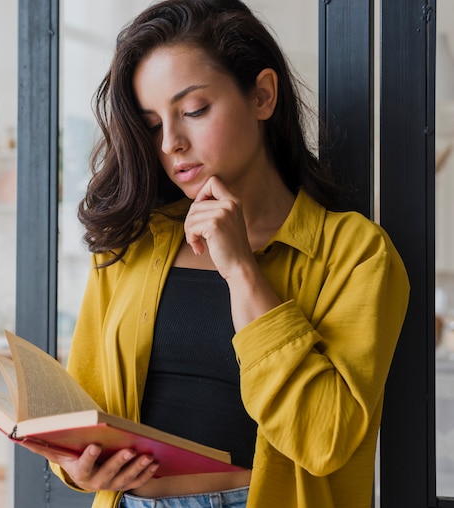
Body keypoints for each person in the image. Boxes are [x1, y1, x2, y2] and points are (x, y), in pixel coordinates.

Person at [22, 1, 410, 507]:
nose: (172, 144)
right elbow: (87, 411)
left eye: (194, 110)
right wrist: (77, 465)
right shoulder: (132, 245)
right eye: (153, 124)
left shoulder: (354, 253)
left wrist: (242, 270)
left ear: (263, 96)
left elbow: (325, 440)